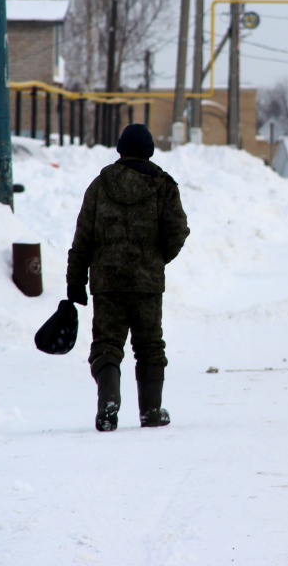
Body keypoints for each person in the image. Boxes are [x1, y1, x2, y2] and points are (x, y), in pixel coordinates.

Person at [66, 124, 190, 432]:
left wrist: (75, 280)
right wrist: (158, 257)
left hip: (107, 282)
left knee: (107, 345)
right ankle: (151, 411)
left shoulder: (100, 185)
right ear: (149, 151)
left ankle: (108, 404)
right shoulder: (163, 186)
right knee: (149, 345)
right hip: (147, 282)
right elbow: (178, 231)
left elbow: (83, 237)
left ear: (120, 148)